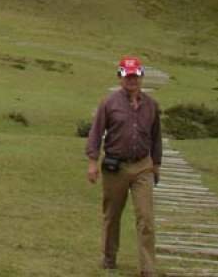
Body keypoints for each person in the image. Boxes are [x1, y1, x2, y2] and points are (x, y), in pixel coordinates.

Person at [85, 56, 161, 276]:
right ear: (120, 77)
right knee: (112, 215)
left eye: (135, 76)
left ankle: (148, 268)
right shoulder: (109, 103)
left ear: (141, 77)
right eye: (127, 76)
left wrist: (156, 165)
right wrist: (92, 162)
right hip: (115, 167)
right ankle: (109, 257)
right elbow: (96, 133)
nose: (131, 80)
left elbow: (156, 137)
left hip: (142, 166)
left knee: (146, 217)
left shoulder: (151, 105)